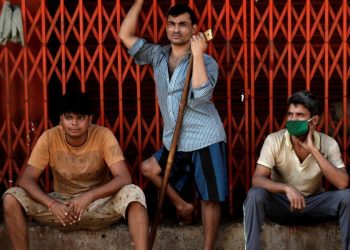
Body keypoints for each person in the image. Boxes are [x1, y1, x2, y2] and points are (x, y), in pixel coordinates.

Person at [119, 1, 228, 249]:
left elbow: (200, 95)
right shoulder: (158, 55)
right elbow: (125, 35)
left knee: (210, 198)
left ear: (194, 29)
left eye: (182, 25)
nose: (176, 29)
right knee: (150, 169)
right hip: (175, 140)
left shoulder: (207, 62)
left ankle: (208, 248)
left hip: (205, 137)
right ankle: (182, 205)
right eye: (171, 24)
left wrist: (198, 53)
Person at [3, 91, 149, 250]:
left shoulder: (103, 135)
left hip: (97, 205)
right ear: (60, 119)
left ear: (90, 119)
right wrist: (52, 204)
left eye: (80, 118)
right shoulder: (49, 137)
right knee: (11, 197)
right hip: (61, 208)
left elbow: (123, 177)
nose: (74, 123)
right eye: (68, 118)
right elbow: (26, 179)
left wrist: (90, 195)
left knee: (134, 193)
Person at [243, 90, 350, 250]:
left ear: (313, 121)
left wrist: (313, 149)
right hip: (283, 205)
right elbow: (257, 180)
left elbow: (343, 183)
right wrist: (286, 188)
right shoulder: (274, 140)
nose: (292, 119)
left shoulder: (329, 144)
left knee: (348, 197)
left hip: (314, 205)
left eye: (299, 115)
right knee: (254, 195)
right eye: (290, 114)